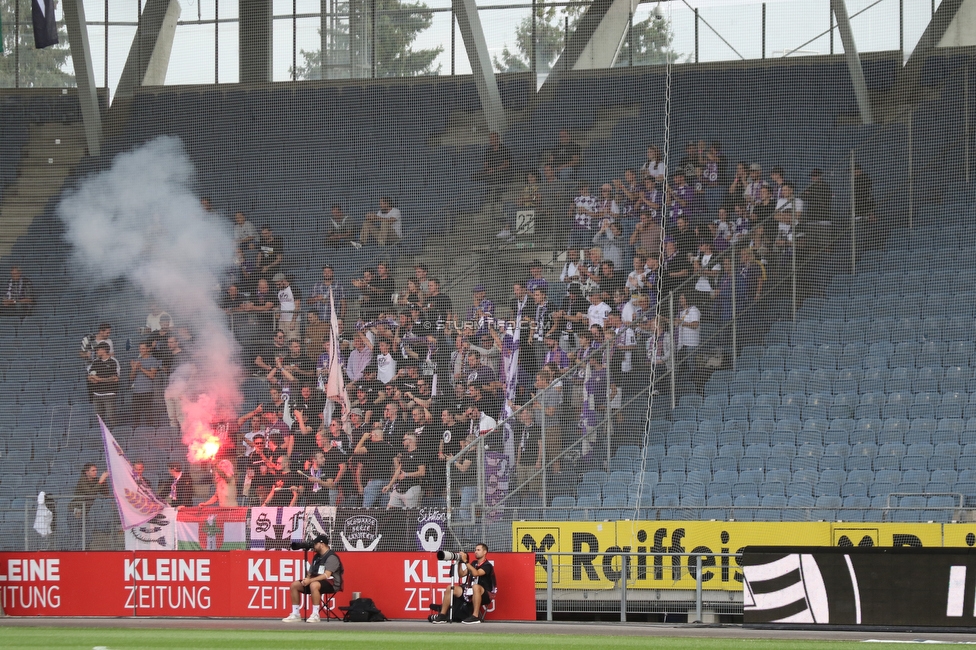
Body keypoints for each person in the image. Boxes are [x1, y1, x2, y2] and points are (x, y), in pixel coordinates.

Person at [283, 534, 344, 623]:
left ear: (322, 544)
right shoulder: (316, 557)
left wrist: (310, 580)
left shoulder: (332, 557)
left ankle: (315, 614)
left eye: (315, 544)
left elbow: (326, 575)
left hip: (331, 583)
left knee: (313, 585)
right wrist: (306, 579)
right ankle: (295, 613)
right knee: (294, 585)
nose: (314, 546)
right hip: (315, 581)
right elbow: (311, 572)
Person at [431, 543, 496, 624]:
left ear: (485, 552)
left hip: (485, 594)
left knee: (475, 587)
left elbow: (476, 573)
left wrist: (465, 561)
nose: (476, 552)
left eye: (478, 550)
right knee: (450, 588)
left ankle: (475, 616)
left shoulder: (487, 565)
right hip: (470, 591)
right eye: (475, 550)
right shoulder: (473, 563)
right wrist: (460, 563)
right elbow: (461, 574)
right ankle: (443, 615)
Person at [69, 463, 109, 549]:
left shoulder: (95, 480)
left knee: (88, 535)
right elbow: (90, 493)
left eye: (96, 470)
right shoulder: (82, 480)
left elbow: (106, 493)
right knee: (76, 537)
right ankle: (75, 555)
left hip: (85, 513)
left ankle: (84, 552)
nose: (95, 472)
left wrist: (104, 481)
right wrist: (100, 481)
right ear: (87, 472)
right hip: (76, 511)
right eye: (93, 470)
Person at [385, 432, 426, 509]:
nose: (402, 442)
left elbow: (422, 472)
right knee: (390, 509)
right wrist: (389, 485)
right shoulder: (404, 453)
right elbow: (398, 470)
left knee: (410, 513)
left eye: (404, 440)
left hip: (412, 488)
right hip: (400, 487)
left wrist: (406, 475)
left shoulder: (419, 454)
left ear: (410, 440)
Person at [87, 342, 120, 426]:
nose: (96, 352)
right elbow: (90, 376)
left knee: (111, 416)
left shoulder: (113, 361)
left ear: (104, 350)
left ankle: (113, 435)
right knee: (99, 419)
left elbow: (115, 378)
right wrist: (92, 379)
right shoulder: (96, 362)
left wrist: (100, 379)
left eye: (98, 350)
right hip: (97, 395)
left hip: (109, 394)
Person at [129, 341, 160, 427]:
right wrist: (134, 368)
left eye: (143, 348)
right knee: (136, 414)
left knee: (148, 414)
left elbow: (152, 375)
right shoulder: (136, 360)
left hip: (147, 391)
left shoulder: (153, 360)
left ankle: (150, 431)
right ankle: (136, 432)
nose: (141, 350)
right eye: (140, 348)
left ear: (148, 349)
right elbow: (131, 378)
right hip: (136, 392)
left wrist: (141, 368)